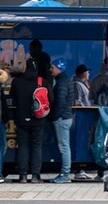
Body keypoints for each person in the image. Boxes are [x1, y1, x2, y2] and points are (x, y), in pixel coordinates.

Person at [11, 54, 46, 183]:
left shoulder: (17, 81)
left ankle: (23, 176)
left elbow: (12, 98)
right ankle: (36, 176)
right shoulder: (42, 82)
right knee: (36, 146)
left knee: (23, 146)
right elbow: (51, 99)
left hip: (21, 119)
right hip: (38, 119)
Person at [49, 59, 74, 183]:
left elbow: (60, 100)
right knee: (65, 146)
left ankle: (65, 174)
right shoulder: (65, 80)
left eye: (52, 67)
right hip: (66, 116)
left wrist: (55, 116)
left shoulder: (61, 82)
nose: (51, 69)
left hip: (61, 118)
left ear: (59, 68)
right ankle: (65, 173)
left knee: (64, 147)